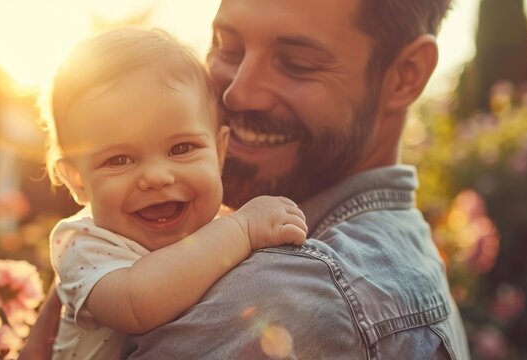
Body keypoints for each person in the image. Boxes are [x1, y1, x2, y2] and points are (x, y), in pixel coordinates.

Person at [123, 0, 470, 358]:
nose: (238, 93)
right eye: (228, 47)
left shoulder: (293, 293)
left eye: (296, 65)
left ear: (406, 74)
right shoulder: (401, 246)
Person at [23, 28, 308, 359]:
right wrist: (242, 230)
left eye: (181, 147)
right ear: (77, 180)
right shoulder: (84, 244)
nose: (157, 177)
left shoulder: (219, 224)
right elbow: (137, 303)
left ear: (219, 152)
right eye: (120, 159)